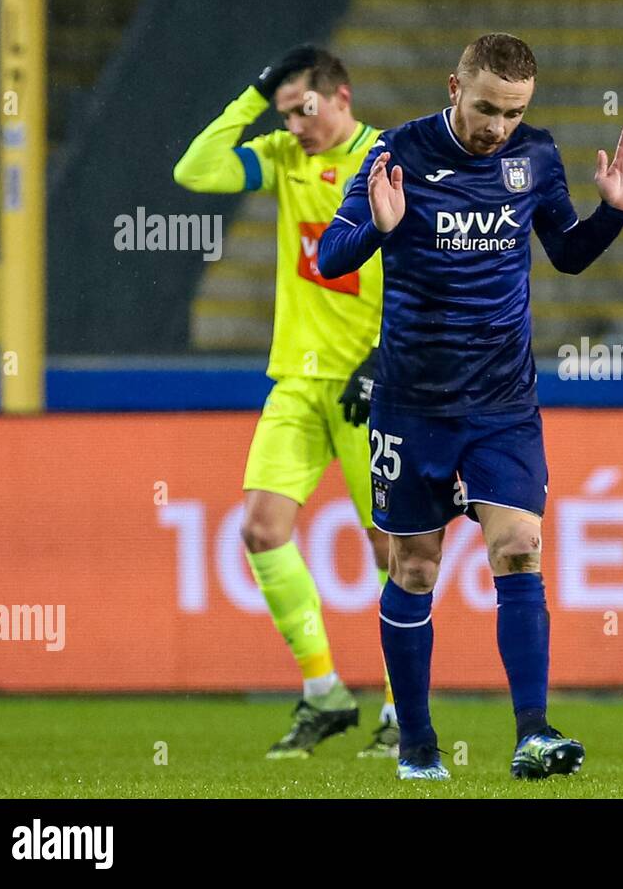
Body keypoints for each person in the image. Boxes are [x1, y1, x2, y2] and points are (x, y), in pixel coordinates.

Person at [318, 32, 623, 780]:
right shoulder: (395, 153)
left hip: (504, 402)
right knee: (414, 566)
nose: (498, 127)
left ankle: (533, 732)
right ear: (453, 87)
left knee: (518, 548)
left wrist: (616, 213)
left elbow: (566, 252)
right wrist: (376, 229)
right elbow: (328, 256)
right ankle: (416, 745)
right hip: (413, 405)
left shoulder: (535, 157)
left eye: (512, 113)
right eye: (486, 109)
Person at [174, 45, 399, 759]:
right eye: (285, 114)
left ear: (342, 98)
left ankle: (402, 713)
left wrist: (385, 360)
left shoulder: (389, 163)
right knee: (262, 529)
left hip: (374, 387)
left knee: (393, 553)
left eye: (304, 110)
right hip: (297, 385)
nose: (295, 126)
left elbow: (426, 269)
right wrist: (254, 94)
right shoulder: (280, 155)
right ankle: (325, 693)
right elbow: (195, 170)